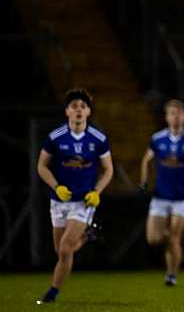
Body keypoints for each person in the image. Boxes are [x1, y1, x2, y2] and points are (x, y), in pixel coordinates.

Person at [36, 88, 114, 303]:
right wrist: (56, 186)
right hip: (59, 200)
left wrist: (96, 192)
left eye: (83, 106)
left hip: (83, 201)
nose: (78, 110)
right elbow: (41, 166)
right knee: (60, 251)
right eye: (74, 106)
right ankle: (89, 236)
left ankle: (51, 294)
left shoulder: (98, 139)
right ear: (67, 111)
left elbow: (109, 170)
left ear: (88, 112)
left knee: (65, 248)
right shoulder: (55, 137)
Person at [139, 99, 184, 286]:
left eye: (179, 113)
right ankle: (166, 254)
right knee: (154, 239)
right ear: (167, 117)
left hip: (182, 197)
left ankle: (171, 275)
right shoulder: (158, 139)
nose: (175, 117)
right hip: (161, 196)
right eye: (172, 113)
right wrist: (144, 182)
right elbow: (146, 160)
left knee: (174, 237)